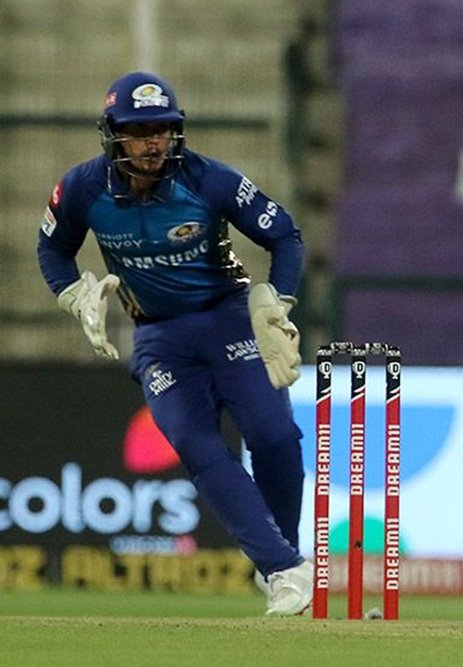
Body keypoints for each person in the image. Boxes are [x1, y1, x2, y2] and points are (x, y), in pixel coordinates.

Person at [37, 72, 312, 616]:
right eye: (139, 131)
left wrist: (277, 301)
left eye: (161, 129)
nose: (153, 142)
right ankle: (282, 569)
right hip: (159, 338)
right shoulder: (82, 189)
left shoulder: (210, 180)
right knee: (197, 446)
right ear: (114, 133)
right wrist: (71, 293)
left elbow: (284, 234)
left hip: (228, 321)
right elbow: (52, 249)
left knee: (274, 436)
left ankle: (284, 559)